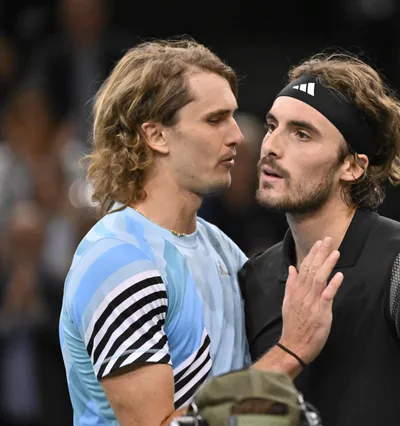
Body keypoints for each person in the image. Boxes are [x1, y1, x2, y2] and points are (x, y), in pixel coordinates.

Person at [59, 39, 345, 426]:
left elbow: (312, 310)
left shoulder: (221, 248)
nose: (238, 137)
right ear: (156, 135)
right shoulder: (117, 260)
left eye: (233, 117)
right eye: (214, 120)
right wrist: (289, 354)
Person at [240, 53, 400, 426]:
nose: (271, 146)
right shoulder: (255, 278)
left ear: (352, 166)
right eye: (272, 126)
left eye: (302, 134)